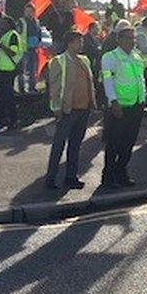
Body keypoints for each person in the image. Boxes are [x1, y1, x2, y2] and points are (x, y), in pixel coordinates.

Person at [45, 30, 95, 189]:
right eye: (78, 42)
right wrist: (56, 107)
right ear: (70, 43)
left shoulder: (84, 60)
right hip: (68, 110)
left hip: (83, 109)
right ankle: (51, 178)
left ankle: (71, 177)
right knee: (59, 144)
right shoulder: (58, 61)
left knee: (75, 145)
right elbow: (54, 86)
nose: (81, 44)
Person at [100, 20, 146, 188]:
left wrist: (143, 97)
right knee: (114, 143)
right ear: (118, 39)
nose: (132, 41)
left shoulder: (136, 56)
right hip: (119, 107)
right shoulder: (110, 57)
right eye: (128, 38)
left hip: (136, 105)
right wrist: (113, 102)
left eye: (134, 38)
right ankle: (108, 176)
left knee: (129, 142)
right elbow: (108, 81)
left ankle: (121, 172)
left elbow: (140, 79)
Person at [0, 16, 23, 129]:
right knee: (1, 95)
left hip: (8, 70)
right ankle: (3, 118)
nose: (1, 25)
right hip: (1, 69)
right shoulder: (5, 36)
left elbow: (13, 52)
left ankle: (13, 119)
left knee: (7, 96)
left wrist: (0, 44)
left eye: (3, 24)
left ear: (9, 25)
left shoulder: (13, 35)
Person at [18, 3, 43, 93]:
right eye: (27, 11)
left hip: (34, 49)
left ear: (34, 12)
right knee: (23, 70)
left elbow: (39, 33)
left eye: (31, 11)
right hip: (24, 49)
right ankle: (22, 89)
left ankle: (32, 87)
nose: (29, 13)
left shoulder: (37, 21)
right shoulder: (21, 21)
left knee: (33, 70)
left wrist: (39, 42)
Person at [83, 22, 104, 107]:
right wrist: (98, 50)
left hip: (96, 64)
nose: (98, 30)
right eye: (96, 28)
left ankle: (96, 102)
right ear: (91, 28)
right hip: (90, 63)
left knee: (96, 83)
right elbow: (90, 49)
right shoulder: (86, 38)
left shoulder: (96, 38)